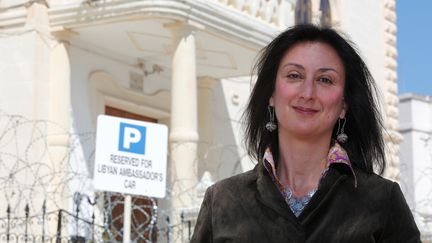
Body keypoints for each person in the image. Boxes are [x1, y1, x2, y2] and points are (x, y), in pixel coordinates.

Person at [191, 24, 421, 242]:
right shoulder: (223, 200)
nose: (307, 92)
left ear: (344, 105)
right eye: (294, 75)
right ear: (271, 93)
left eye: (325, 79)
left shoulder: (381, 200)